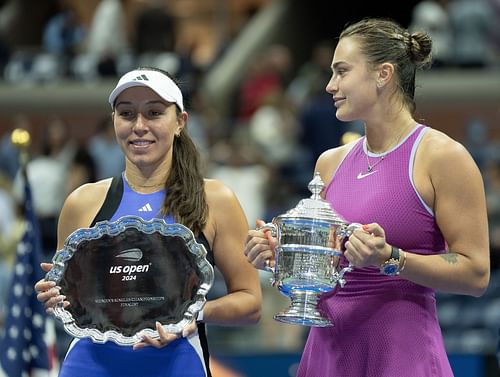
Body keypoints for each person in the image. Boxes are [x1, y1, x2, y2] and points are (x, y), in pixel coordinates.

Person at [244, 17, 490, 377]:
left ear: (383, 74)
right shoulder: (329, 163)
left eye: (341, 71)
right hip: (327, 354)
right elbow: (327, 264)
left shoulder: (442, 157)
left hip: (401, 354)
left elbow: (476, 273)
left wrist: (391, 258)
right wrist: (280, 255)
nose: (330, 85)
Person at [35, 67, 262, 377]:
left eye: (154, 113)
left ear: (180, 122)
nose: (139, 126)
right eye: (126, 114)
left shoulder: (215, 199)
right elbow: (70, 297)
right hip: (90, 365)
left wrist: (189, 316)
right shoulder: (81, 202)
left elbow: (250, 303)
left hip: (176, 364)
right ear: (114, 121)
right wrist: (56, 297)